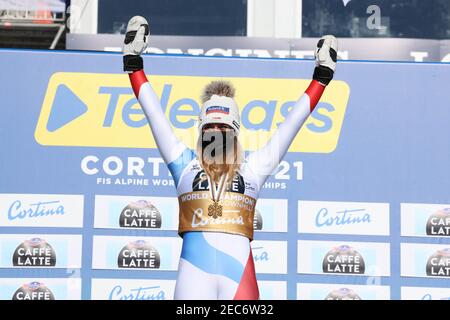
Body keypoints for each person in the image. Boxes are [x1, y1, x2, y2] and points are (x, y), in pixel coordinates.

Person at [123, 16, 338, 300]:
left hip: (239, 276)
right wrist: (133, 64)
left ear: (234, 133)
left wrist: (321, 78)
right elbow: (154, 114)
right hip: (193, 276)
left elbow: (292, 124)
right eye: (209, 128)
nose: (215, 133)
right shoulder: (183, 162)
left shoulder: (254, 169)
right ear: (200, 132)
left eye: (222, 129)